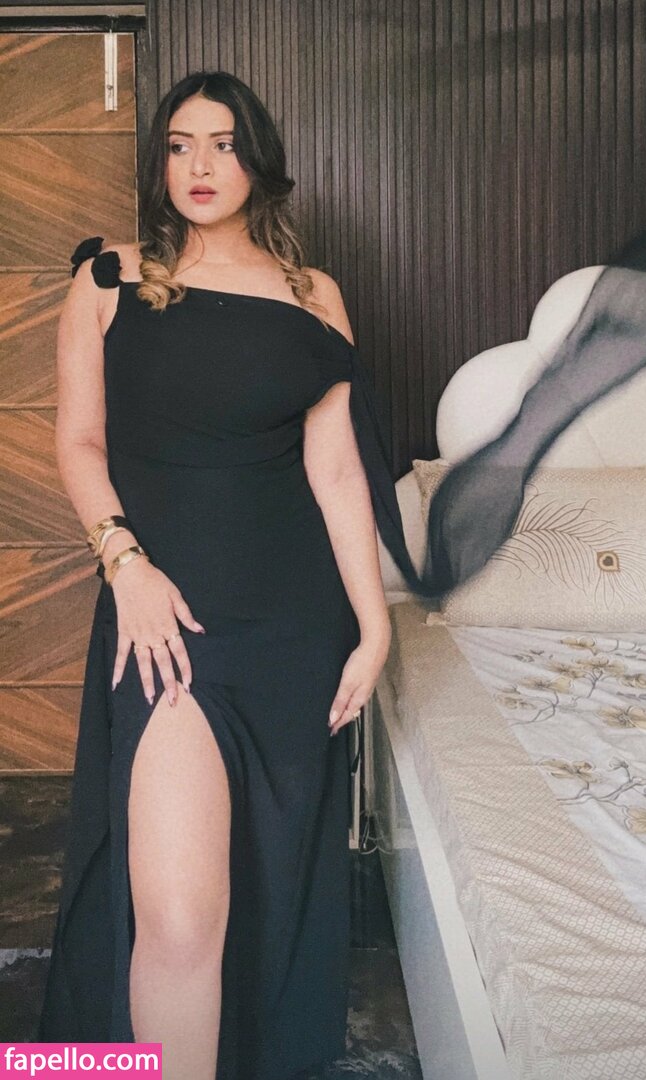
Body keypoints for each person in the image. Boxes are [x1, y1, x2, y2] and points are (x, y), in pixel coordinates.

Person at [37, 69, 404, 1080]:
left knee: (269, 884)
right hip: (169, 623)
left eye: (224, 143)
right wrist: (126, 565)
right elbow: (77, 442)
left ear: (258, 161)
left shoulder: (312, 294)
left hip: (294, 628)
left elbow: (337, 474)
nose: (200, 165)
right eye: (180, 144)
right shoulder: (109, 279)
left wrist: (373, 628)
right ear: (159, 162)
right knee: (180, 919)